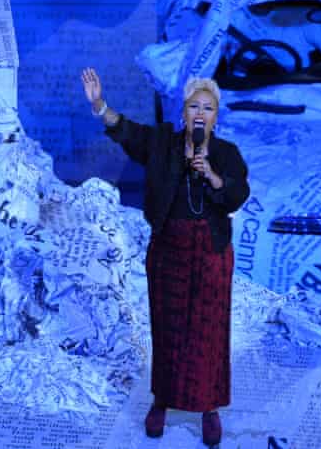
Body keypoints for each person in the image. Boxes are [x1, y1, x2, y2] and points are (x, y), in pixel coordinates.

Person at [80, 68, 249, 447]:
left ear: (216, 116)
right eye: (193, 106)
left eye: (208, 107)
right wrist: (99, 105)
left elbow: (238, 194)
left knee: (209, 330)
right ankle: (162, 400)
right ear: (183, 113)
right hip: (169, 250)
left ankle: (209, 408)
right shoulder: (162, 144)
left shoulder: (227, 154)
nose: (200, 113)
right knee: (168, 327)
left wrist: (213, 176)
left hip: (211, 252)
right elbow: (126, 131)